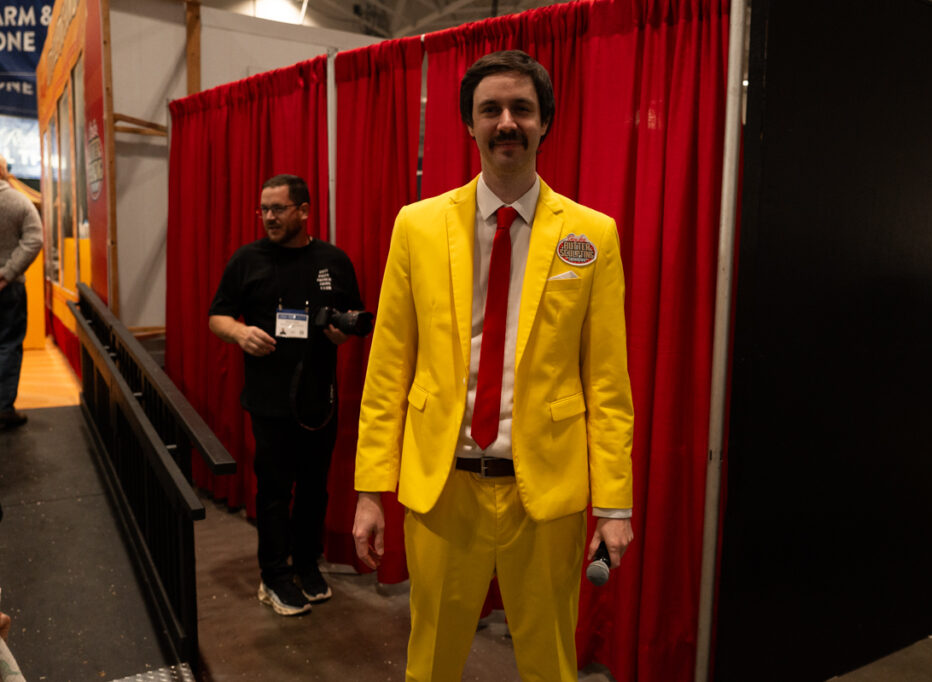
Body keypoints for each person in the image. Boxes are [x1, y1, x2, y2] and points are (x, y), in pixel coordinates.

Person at [353, 50, 634, 680]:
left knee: (549, 661)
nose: (507, 121)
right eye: (491, 110)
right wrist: (371, 489)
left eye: (522, 109)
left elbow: (609, 383)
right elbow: (388, 366)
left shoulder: (593, 235)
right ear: (469, 124)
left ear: (544, 123)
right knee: (431, 658)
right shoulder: (418, 226)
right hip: (443, 487)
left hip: (548, 494)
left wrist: (615, 506)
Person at [209, 174, 363, 617]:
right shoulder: (248, 260)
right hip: (269, 403)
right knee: (275, 492)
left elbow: (350, 317)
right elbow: (216, 316)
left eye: (278, 208)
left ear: (304, 211)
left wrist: (340, 334)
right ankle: (274, 577)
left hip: (320, 402)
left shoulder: (333, 261)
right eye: (264, 209)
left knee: (315, 490)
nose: (269, 217)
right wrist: (239, 332)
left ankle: (307, 566)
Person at [0, 155, 43, 431]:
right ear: (3, 170)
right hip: (10, 289)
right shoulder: (18, 201)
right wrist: (7, 274)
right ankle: (3, 409)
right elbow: (34, 239)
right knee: (8, 345)